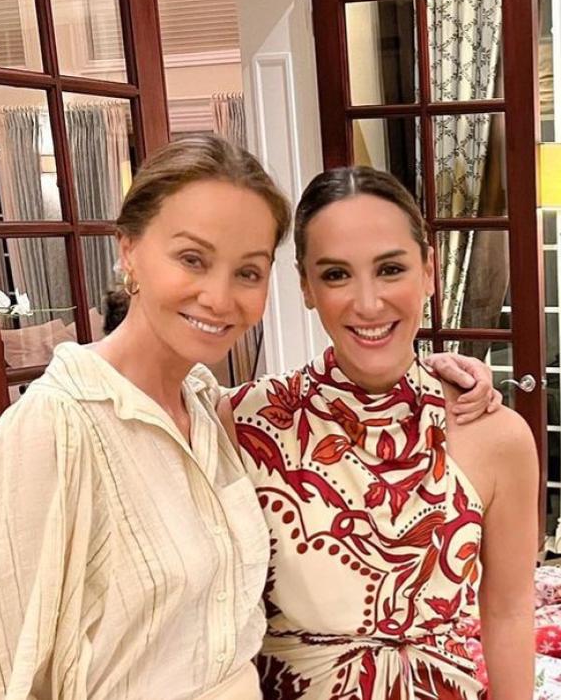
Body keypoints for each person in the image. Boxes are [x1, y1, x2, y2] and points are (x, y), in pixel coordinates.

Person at [0, 135, 499, 700]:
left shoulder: (208, 410)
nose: (219, 297)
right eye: (192, 259)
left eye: (248, 272)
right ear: (129, 250)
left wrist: (432, 375)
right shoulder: (54, 429)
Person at [221, 166, 537, 700]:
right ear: (306, 286)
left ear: (429, 271)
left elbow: (509, 612)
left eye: (390, 269)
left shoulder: (496, 436)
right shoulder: (246, 423)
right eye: (336, 275)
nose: (368, 303)